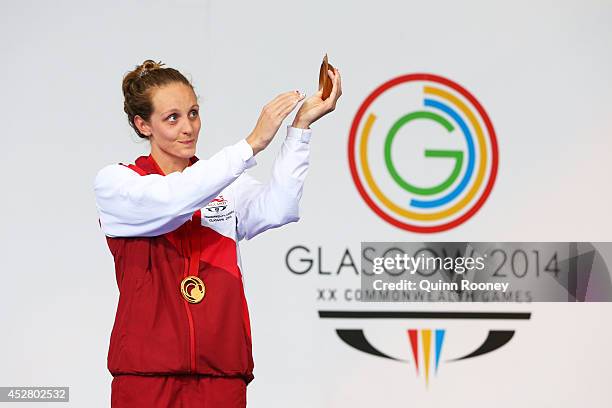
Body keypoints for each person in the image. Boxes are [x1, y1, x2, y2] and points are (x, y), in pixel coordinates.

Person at [93, 59, 342, 407]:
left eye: (193, 113)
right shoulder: (117, 182)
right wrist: (251, 143)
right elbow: (171, 201)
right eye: (172, 118)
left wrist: (299, 130)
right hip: (147, 375)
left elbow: (280, 207)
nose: (188, 128)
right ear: (142, 124)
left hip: (221, 372)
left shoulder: (226, 185)